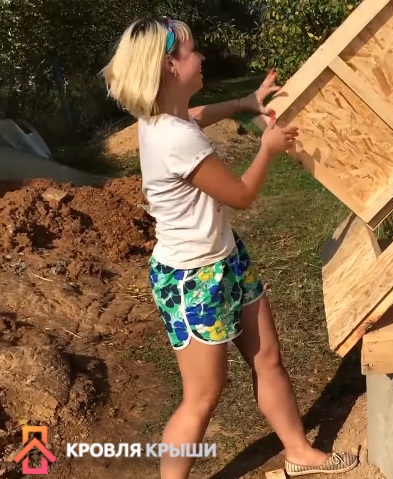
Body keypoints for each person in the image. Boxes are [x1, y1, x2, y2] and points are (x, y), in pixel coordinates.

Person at [100, 16, 359, 478]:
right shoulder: (173, 138)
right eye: (192, 51)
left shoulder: (165, 118)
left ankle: (298, 452)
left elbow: (196, 116)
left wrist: (245, 102)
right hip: (191, 279)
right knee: (203, 395)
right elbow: (240, 195)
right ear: (169, 67)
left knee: (267, 357)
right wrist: (268, 148)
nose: (201, 58)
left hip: (225, 258)